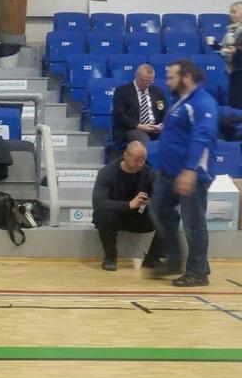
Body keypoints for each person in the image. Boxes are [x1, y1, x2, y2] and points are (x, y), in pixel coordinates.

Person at [147, 59, 218, 287]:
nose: (167, 82)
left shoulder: (202, 103)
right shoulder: (180, 101)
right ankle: (174, 260)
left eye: (171, 77)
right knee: (159, 210)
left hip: (192, 175)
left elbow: (202, 136)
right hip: (169, 173)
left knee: (193, 223)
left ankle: (198, 271)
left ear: (186, 77)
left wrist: (190, 170)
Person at [91, 141, 163, 271]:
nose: (140, 164)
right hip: (114, 216)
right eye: (136, 160)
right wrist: (129, 205)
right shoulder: (107, 172)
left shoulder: (148, 172)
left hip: (139, 217)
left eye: (143, 160)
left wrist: (151, 202)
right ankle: (110, 257)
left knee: (171, 216)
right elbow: (98, 202)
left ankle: (152, 259)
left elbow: (162, 198)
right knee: (104, 215)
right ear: (125, 156)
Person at [112, 64, 165, 147]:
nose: (147, 84)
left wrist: (162, 124)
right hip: (132, 128)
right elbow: (120, 115)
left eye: (150, 81)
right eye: (144, 81)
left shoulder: (158, 92)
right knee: (145, 142)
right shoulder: (122, 91)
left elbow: (163, 110)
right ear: (136, 76)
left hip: (155, 128)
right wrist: (139, 126)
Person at [214, 1, 242, 107]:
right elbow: (225, 51)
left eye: (234, 12)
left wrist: (235, 50)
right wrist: (215, 45)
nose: (231, 15)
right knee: (234, 103)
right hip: (234, 71)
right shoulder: (230, 32)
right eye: (231, 12)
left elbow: (236, 49)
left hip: (239, 71)